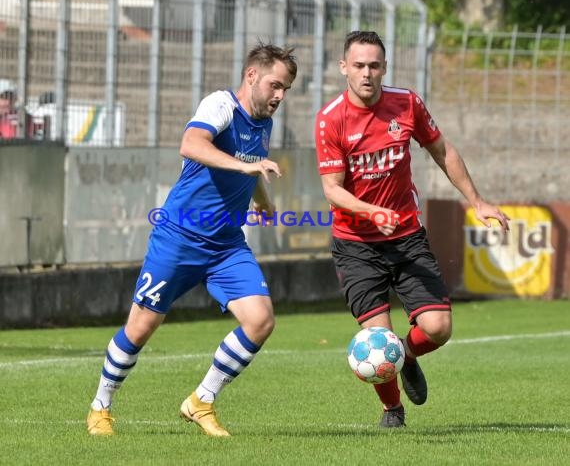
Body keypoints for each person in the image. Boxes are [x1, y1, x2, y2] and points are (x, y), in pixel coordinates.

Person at [87, 43, 297, 437]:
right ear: (252, 75)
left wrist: (264, 201)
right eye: (275, 85)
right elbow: (192, 145)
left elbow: (250, 169)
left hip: (226, 246)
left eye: (285, 89)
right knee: (141, 327)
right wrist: (244, 166)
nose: (280, 96)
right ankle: (101, 406)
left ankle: (201, 400)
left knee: (261, 320)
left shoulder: (263, 124)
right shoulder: (219, 106)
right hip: (178, 238)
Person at [314, 31, 510, 428]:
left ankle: (403, 355)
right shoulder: (330, 119)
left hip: (406, 236)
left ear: (384, 67)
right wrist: (371, 211)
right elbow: (332, 190)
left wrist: (477, 200)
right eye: (358, 66)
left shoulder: (407, 103)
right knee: (376, 339)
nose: (366, 73)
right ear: (343, 68)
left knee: (438, 328)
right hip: (355, 244)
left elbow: (442, 150)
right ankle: (392, 410)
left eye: (373, 65)